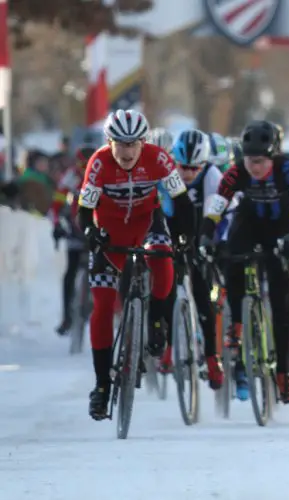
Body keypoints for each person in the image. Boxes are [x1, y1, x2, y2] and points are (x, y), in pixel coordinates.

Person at [78, 109, 195, 420]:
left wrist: (185, 235)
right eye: (120, 144)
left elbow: (181, 202)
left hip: (147, 221)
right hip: (110, 232)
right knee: (102, 306)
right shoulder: (99, 162)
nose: (127, 152)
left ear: (144, 143)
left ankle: (157, 321)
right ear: (109, 141)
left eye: (133, 144)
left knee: (163, 258)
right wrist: (91, 231)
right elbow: (84, 209)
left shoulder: (158, 159)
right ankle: (102, 385)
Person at [200, 120, 289, 404]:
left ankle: (283, 373)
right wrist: (208, 234)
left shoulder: (288, 171)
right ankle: (237, 324)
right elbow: (217, 206)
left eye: (259, 161)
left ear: (272, 157)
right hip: (250, 223)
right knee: (231, 257)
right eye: (248, 160)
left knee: (283, 300)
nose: (253, 167)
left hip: (282, 225)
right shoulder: (237, 173)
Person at [157, 129, 225, 390]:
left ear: (204, 164)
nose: (188, 173)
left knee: (202, 292)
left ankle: (211, 357)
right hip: (171, 233)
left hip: (199, 236)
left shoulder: (211, 176)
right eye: (183, 167)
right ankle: (170, 346)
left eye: (194, 168)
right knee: (166, 291)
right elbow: (162, 209)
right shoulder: (166, 175)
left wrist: (206, 244)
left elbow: (212, 212)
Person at [51, 144, 98, 335]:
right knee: (69, 273)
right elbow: (57, 203)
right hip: (75, 230)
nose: (84, 169)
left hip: (97, 229)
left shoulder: (103, 174)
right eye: (81, 165)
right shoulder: (71, 176)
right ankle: (66, 317)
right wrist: (57, 225)